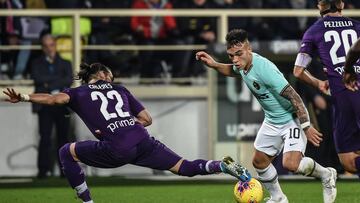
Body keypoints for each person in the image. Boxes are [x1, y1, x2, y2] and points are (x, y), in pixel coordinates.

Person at [3, 62, 251, 203]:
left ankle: (87, 202)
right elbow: (147, 119)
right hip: (142, 141)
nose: (111, 77)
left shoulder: (77, 92)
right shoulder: (119, 89)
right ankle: (222, 166)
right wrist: (127, 125)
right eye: (109, 74)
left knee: (65, 151)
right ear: (101, 75)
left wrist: (24, 96)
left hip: (117, 148)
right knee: (184, 167)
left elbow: (53, 99)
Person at [196, 29, 337, 203]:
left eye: (238, 54)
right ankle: (278, 198)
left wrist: (306, 126)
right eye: (231, 55)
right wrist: (214, 64)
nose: (235, 60)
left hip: (291, 118)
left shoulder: (265, 69)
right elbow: (233, 70)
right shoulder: (242, 65)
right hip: (272, 120)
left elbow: (295, 98)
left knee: (291, 165)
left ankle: (326, 174)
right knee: (259, 161)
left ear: (249, 48)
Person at [293, 0, 360, 177]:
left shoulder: (314, 31)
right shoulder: (357, 26)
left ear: (319, 7)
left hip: (343, 97)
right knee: (350, 162)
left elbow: (298, 71)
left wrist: (319, 83)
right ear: (342, 5)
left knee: (348, 162)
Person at [31, 33, 73, 178]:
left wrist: (48, 84)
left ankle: (64, 170)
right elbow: (38, 79)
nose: (49, 49)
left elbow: (68, 80)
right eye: (46, 46)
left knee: (63, 138)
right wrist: (58, 82)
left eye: (51, 45)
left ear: (55, 45)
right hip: (44, 107)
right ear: (42, 48)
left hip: (61, 106)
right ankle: (43, 171)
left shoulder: (66, 62)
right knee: (45, 138)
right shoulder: (36, 63)